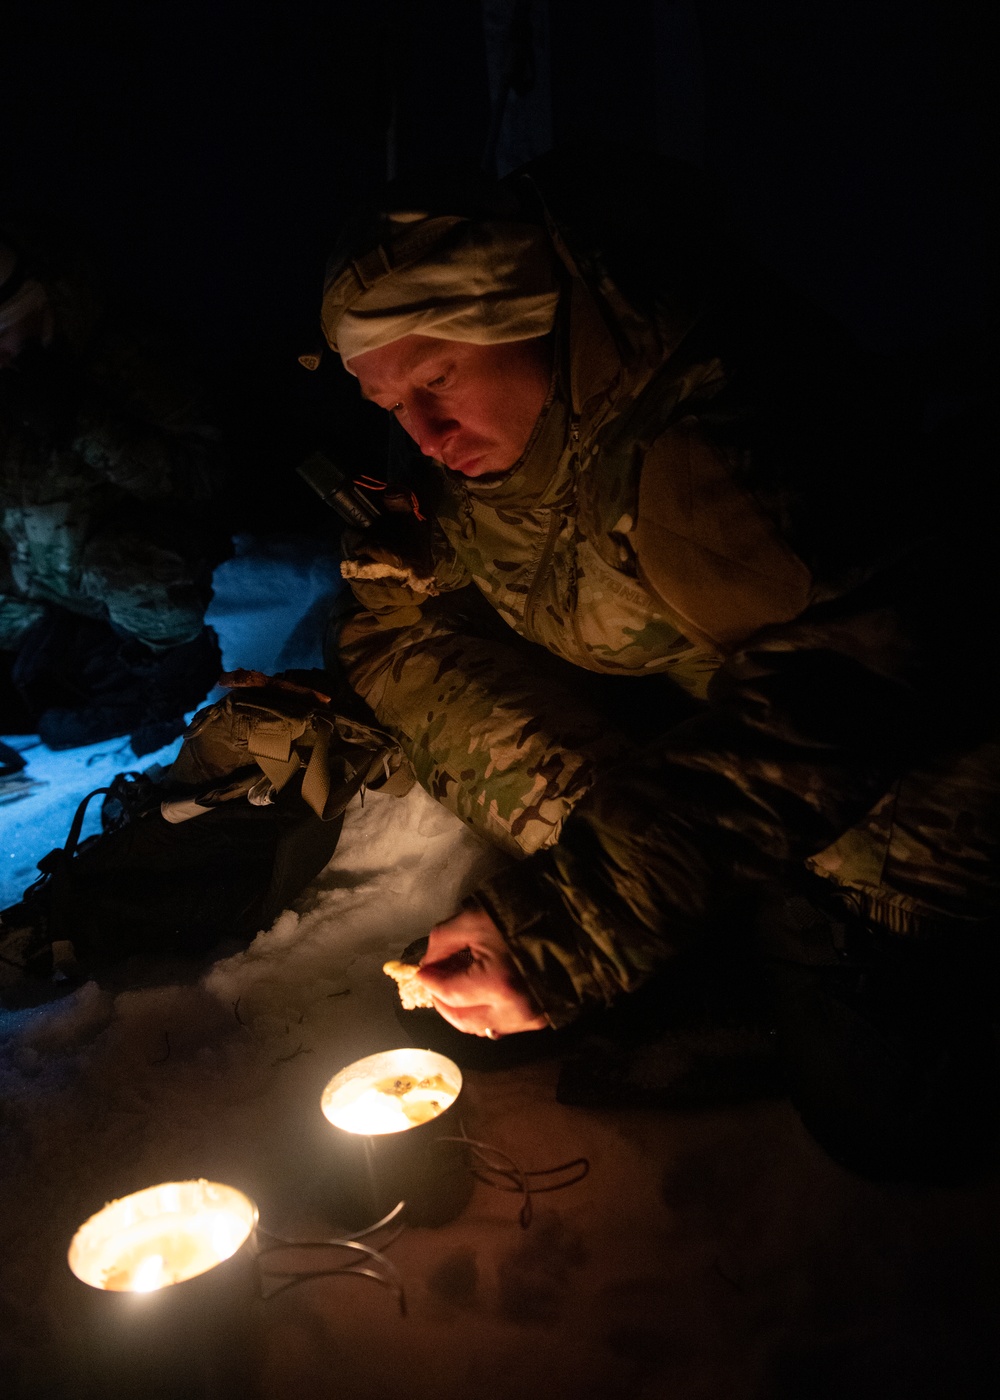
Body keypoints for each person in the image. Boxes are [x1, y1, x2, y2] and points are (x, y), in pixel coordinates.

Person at [319, 148, 1000, 1181]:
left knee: (888, 1123)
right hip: (723, 736)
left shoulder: (714, 438)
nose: (421, 431)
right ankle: (714, 942)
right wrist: (416, 569)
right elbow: (496, 568)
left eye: (437, 378)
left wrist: (571, 927)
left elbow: (832, 705)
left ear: (524, 317)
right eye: (389, 407)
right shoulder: (511, 443)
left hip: (912, 815)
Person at [1, 231, 227, 757]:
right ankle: (81, 688)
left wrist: (78, 419)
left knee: (130, 575)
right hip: (45, 585)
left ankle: (171, 683)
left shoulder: (123, 353)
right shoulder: (7, 373)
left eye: (1, 338)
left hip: (132, 573)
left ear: (35, 307)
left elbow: (203, 474)